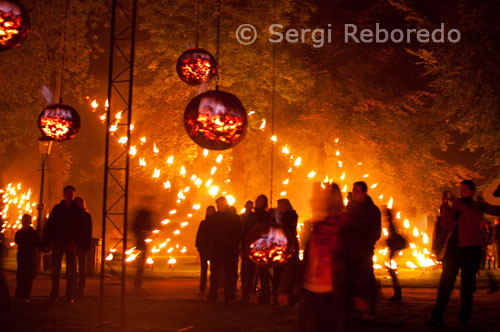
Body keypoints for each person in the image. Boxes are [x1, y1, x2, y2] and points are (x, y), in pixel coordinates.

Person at [279, 182, 351, 331]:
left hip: (334, 296)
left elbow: (356, 261)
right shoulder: (316, 229)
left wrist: (362, 294)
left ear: (330, 202)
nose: (312, 202)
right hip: (310, 294)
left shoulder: (344, 227)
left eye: (320, 199)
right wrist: (286, 288)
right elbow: (303, 261)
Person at [426, 180, 483, 327]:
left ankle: (465, 317)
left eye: (464, 189)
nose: (461, 191)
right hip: (453, 249)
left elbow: (469, 214)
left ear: (471, 191)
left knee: (467, 286)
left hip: (469, 249)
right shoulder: (457, 206)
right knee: (445, 284)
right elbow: (445, 224)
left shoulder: (475, 206)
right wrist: (445, 205)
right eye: (460, 189)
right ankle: (437, 316)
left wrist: (454, 201)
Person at [346, 181, 381, 318]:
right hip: (351, 251)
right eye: (353, 190)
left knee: (366, 280)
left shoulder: (372, 210)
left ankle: (369, 309)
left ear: (364, 193)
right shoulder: (350, 208)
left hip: (364, 251)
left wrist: (365, 244)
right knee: (352, 280)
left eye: (357, 191)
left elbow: (376, 232)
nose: (354, 193)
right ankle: (355, 308)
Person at [44, 185, 83, 303]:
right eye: (67, 193)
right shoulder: (57, 209)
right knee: (56, 270)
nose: (69, 195)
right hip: (58, 241)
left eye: (71, 193)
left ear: (73, 195)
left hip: (70, 242)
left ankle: (69, 295)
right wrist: (50, 241)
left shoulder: (76, 210)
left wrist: (75, 241)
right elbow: (50, 225)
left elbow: (81, 228)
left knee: (71, 271)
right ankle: (54, 294)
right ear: (64, 194)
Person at [205, 196, 242, 303]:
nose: (218, 206)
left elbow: (238, 232)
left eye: (220, 204)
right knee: (215, 272)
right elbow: (208, 231)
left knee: (228, 272)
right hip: (217, 248)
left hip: (228, 248)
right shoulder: (214, 218)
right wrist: (211, 242)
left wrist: (234, 243)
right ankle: (213, 293)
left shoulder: (233, 217)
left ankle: (228, 293)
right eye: (217, 204)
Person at [241, 194, 273, 304]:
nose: (259, 202)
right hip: (252, 245)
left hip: (262, 246)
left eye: (261, 201)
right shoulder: (252, 216)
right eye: (258, 200)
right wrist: (243, 247)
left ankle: (265, 296)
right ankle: (246, 296)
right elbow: (246, 231)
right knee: (249, 272)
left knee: (263, 272)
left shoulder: (267, 216)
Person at [272, 198, 298, 304]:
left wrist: (279, 218)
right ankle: (276, 295)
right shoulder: (278, 216)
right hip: (279, 245)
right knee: (277, 272)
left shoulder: (292, 215)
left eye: (281, 205)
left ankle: (288, 296)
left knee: (288, 271)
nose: (280, 207)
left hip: (289, 245)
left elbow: (286, 227)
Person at [15, 214, 43, 302]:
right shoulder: (19, 233)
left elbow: (38, 243)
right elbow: (17, 241)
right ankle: (19, 295)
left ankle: (25, 295)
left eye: (26, 220)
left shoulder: (33, 233)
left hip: (29, 257)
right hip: (22, 257)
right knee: (20, 277)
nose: (25, 222)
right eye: (24, 220)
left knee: (27, 277)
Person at [132, 195, 155, 291]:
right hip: (141, 240)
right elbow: (136, 226)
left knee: (141, 263)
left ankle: (138, 283)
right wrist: (142, 233)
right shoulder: (143, 213)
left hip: (142, 240)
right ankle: (137, 284)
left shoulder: (145, 212)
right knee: (140, 264)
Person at [385, 208, 407, 302]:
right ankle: (397, 294)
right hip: (394, 250)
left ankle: (398, 294)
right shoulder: (391, 225)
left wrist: (391, 256)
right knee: (392, 273)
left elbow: (393, 237)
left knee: (392, 273)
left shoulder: (391, 226)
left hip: (394, 249)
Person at [73, 197, 92, 297]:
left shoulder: (86, 215)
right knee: (73, 267)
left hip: (81, 244)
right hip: (73, 243)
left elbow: (88, 231)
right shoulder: (72, 215)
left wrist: (87, 245)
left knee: (81, 267)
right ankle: (74, 287)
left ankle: (80, 288)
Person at [195, 205, 216, 296]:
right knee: (203, 269)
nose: (210, 213)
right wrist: (198, 245)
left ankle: (213, 289)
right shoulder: (203, 223)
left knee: (214, 270)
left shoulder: (216, 224)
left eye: (211, 211)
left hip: (212, 248)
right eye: (208, 211)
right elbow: (199, 234)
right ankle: (202, 288)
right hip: (204, 248)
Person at [239, 200, 255, 291]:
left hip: (250, 241)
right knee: (244, 262)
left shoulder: (253, 216)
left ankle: (248, 283)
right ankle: (244, 281)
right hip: (244, 241)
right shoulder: (242, 217)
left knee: (249, 264)